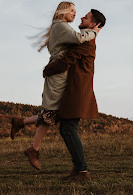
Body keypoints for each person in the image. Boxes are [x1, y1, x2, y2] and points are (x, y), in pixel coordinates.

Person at [10, 1, 101, 170]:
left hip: (60, 73)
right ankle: (33, 148)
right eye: (72, 10)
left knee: (54, 112)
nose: (76, 14)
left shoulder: (61, 26)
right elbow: (76, 39)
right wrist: (93, 33)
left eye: (79, 12)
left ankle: (22, 124)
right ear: (63, 11)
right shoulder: (61, 26)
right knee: (51, 111)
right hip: (58, 73)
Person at [43, 9, 106, 182]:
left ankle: (82, 172)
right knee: (67, 129)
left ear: (93, 24)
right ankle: (79, 169)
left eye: (86, 17)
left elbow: (67, 61)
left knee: (69, 129)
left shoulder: (85, 41)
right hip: (77, 90)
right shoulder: (87, 37)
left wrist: (48, 70)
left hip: (78, 92)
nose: (81, 17)